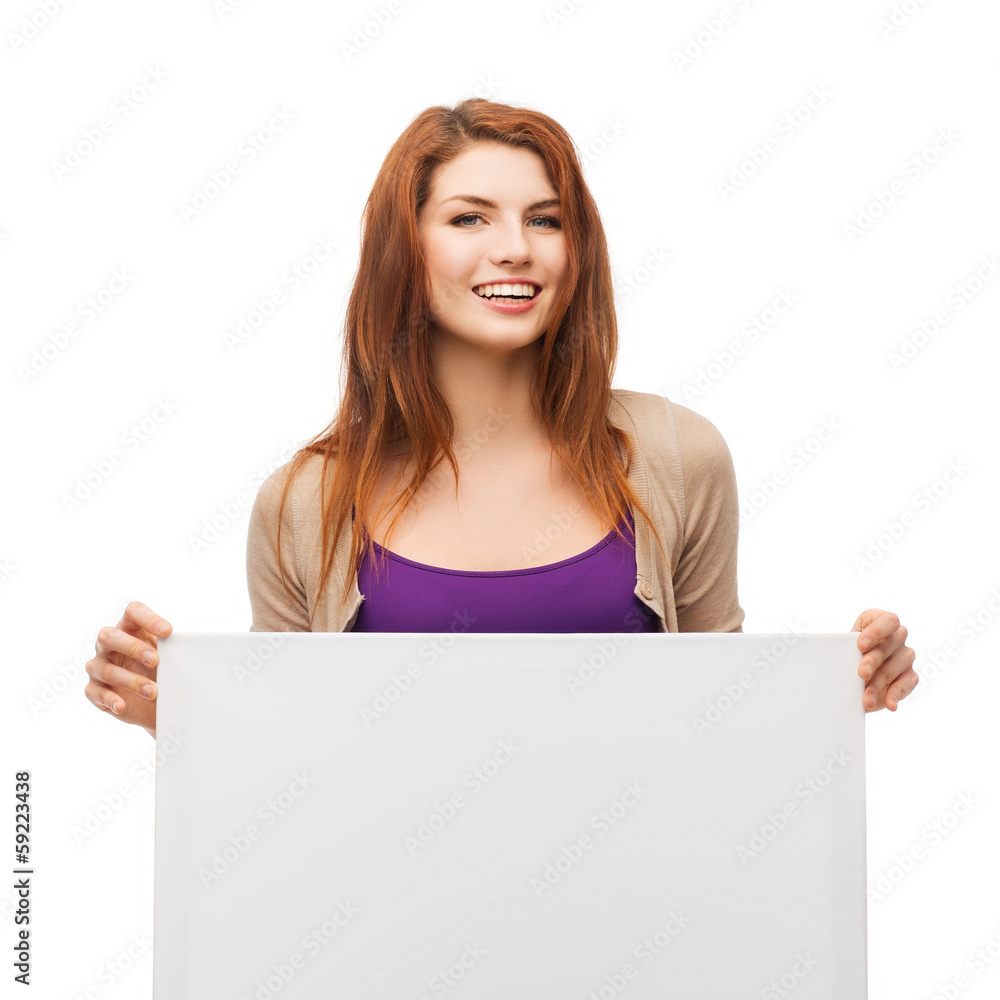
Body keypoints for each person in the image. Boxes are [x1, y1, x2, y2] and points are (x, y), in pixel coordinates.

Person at [84, 98, 918, 740]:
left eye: (544, 219)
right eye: (469, 217)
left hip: (641, 944)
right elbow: (291, 766)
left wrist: (836, 690)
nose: (516, 247)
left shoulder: (677, 455)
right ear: (402, 250)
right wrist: (177, 716)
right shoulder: (306, 500)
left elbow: (721, 732)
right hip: (394, 947)